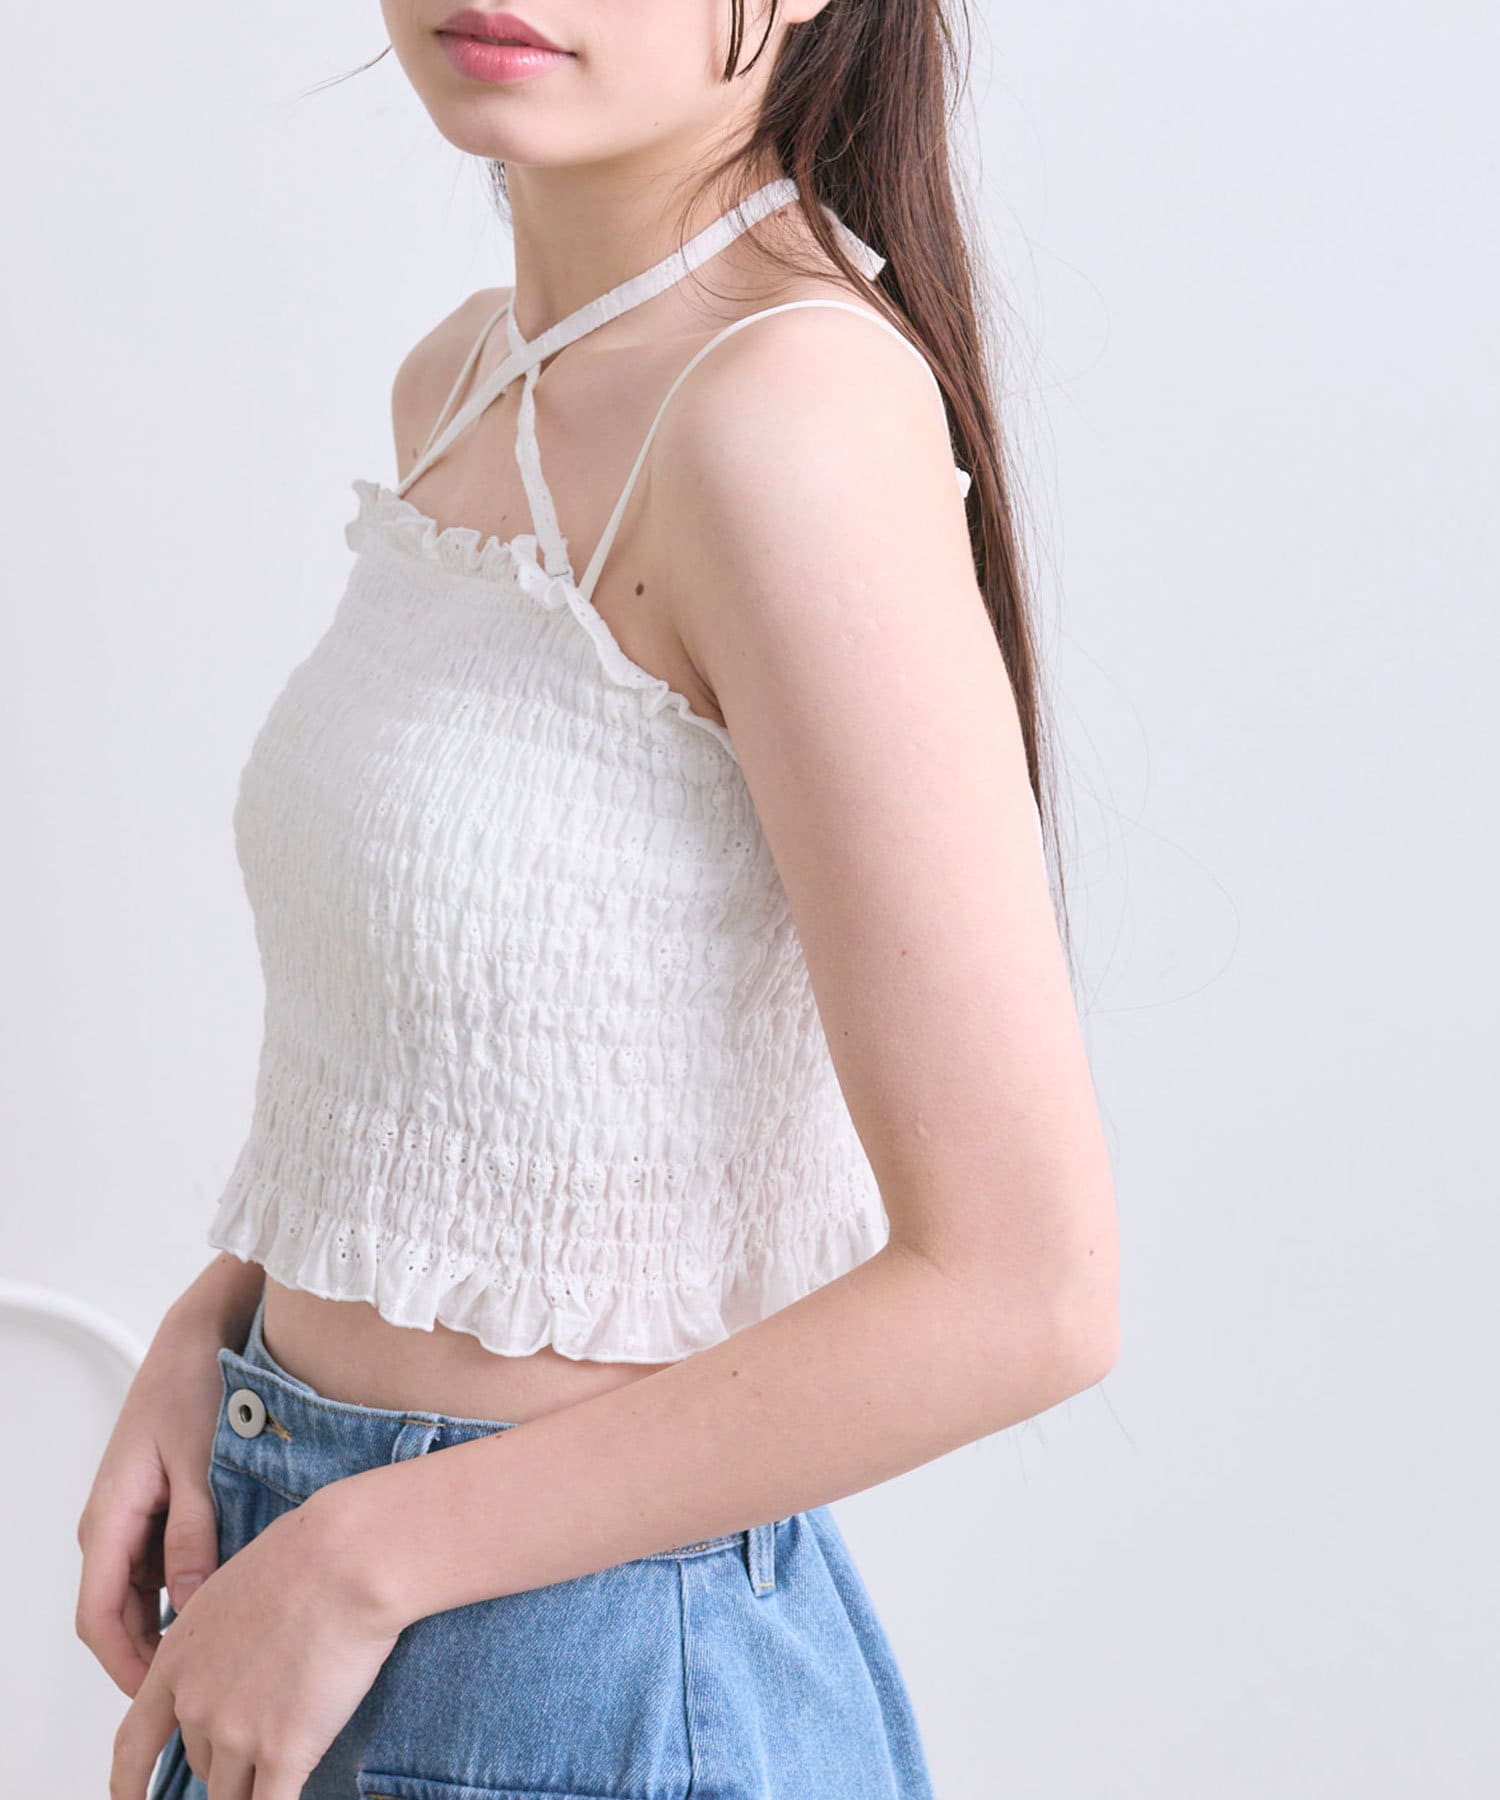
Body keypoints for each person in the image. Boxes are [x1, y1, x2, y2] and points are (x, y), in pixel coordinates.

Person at [79, 4, 1120, 1796]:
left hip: (576, 1670)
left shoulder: (787, 420)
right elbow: (491, 1066)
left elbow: (1026, 1292)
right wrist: (215, 1332)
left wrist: (363, 1555)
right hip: (311, 1572)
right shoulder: (468, 377)